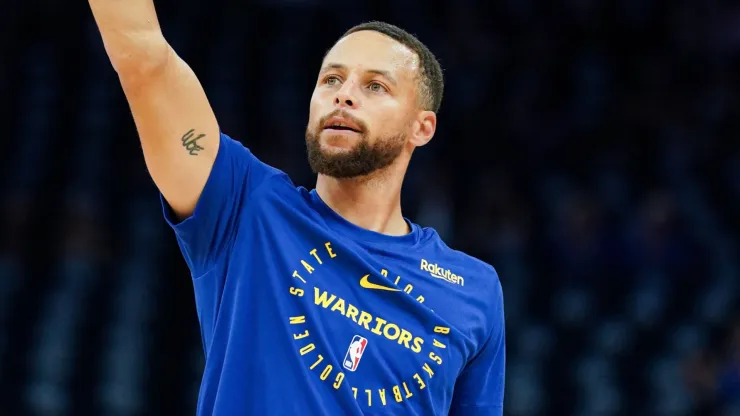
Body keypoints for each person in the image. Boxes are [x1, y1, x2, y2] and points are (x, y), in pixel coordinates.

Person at [88, 0, 506, 413]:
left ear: (422, 127)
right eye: (331, 80)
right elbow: (144, 55)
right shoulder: (246, 206)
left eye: (375, 86)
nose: (343, 96)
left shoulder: (474, 290)